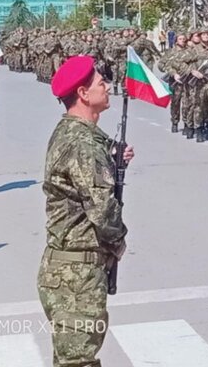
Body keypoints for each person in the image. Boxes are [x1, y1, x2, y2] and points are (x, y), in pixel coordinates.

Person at [39, 56, 133, 367]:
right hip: (76, 274)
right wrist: (118, 241)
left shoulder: (76, 134)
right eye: (100, 82)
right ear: (83, 94)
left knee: (72, 360)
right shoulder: (83, 144)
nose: (106, 86)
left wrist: (112, 158)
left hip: (68, 271)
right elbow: (103, 211)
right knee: (77, 362)